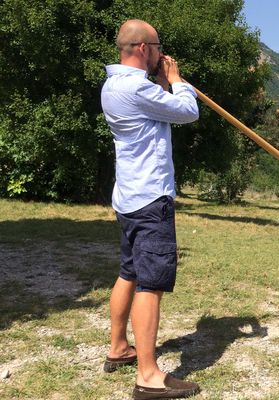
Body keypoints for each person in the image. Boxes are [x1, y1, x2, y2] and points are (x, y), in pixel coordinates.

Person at [100, 19, 200, 399]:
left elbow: (159, 109)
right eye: (158, 46)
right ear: (144, 48)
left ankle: (118, 347)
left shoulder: (114, 84)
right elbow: (187, 111)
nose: (162, 53)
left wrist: (163, 83)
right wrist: (177, 79)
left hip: (128, 198)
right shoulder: (137, 88)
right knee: (151, 284)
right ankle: (147, 374)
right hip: (149, 199)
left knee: (128, 272)